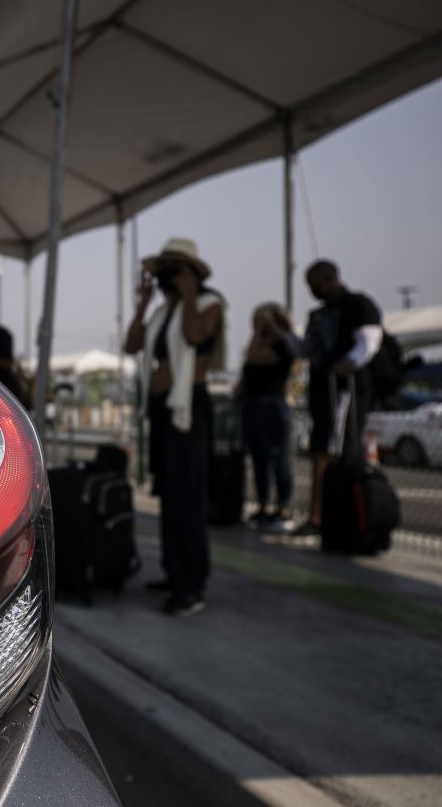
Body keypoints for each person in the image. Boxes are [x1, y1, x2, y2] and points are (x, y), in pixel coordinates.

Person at [124, 238, 223, 617]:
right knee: (169, 494)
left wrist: (189, 293)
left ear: (192, 273)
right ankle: (173, 571)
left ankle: (192, 584)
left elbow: (195, 336)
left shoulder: (207, 304)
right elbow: (131, 344)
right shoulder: (163, 312)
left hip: (188, 409)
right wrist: (143, 305)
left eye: (175, 269)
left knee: (188, 498)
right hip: (163, 412)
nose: (168, 276)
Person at [286, 260, 383, 538]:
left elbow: (369, 341)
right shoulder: (319, 314)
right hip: (322, 392)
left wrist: (348, 363)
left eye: (315, 284)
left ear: (330, 279)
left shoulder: (357, 305)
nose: (313, 290)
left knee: (336, 451)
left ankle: (334, 517)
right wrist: (284, 332)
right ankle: (320, 516)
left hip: (344, 392)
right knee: (321, 450)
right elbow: (306, 349)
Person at [237, 303, 297, 533]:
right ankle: (263, 505)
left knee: (279, 457)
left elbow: (263, 358)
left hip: (274, 405)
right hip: (252, 404)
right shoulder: (256, 345)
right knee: (259, 458)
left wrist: (271, 324)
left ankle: (283, 507)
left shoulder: (285, 346)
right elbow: (250, 359)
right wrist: (258, 332)